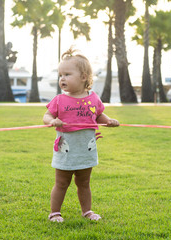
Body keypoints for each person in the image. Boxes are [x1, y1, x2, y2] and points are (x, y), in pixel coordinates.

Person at [43, 47, 119, 222]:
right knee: (62, 183)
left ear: (84, 77)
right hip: (66, 149)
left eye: (67, 74)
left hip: (86, 149)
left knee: (84, 183)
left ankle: (87, 211)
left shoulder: (93, 98)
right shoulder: (59, 100)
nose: (62, 78)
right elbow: (46, 116)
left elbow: (99, 115)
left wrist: (109, 120)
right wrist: (52, 121)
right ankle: (55, 212)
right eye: (60, 75)